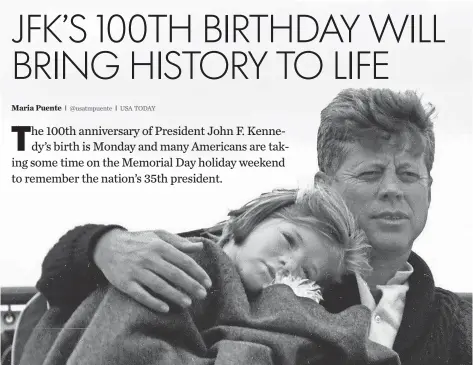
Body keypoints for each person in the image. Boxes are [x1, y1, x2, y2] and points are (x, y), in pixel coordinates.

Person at [36, 88, 472, 365]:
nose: (393, 190)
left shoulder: (460, 323)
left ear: (430, 189)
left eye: (410, 176)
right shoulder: (244, 262)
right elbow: (63, 286)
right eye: (371, 173)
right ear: (323, 186)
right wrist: (102, 245)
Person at [21, 185, 401, 365]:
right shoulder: (178, 257)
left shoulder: (285, 308)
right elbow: (56, 286)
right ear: (249, 221)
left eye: (307, 273)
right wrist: (101, 244)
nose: (289, 264)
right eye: (288, 239)